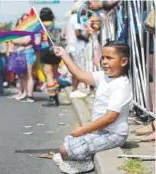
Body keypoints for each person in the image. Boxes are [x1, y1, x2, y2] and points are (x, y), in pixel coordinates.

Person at [52, 41, 132, 173]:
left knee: (64, 150)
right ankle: (80, 156)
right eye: (103, 57)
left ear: (123, 61)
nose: (104, 62)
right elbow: (80, 75)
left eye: (109, 58)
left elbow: (110, 118)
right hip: (100, 130)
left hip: (114, 135)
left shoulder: (121, 85)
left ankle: (85, 163)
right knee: (69, 140)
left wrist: (83, 130)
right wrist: (64, 55)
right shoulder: (103, 76)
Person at [66, 1, 91, 98]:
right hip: (76, 47)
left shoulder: (71, 18)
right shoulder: (77, 18)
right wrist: (87, 38)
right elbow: (78, 33)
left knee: (74, 69)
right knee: (78, 69)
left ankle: (74, 88)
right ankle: (75, 89)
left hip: (71, 46)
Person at [39, 7, 63, 107]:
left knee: (48, 75)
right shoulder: (56, 24)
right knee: (54, 75)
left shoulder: (41, 26)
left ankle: (52, 98)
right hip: (57, 50)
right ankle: (56, 96)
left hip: (46, 50)